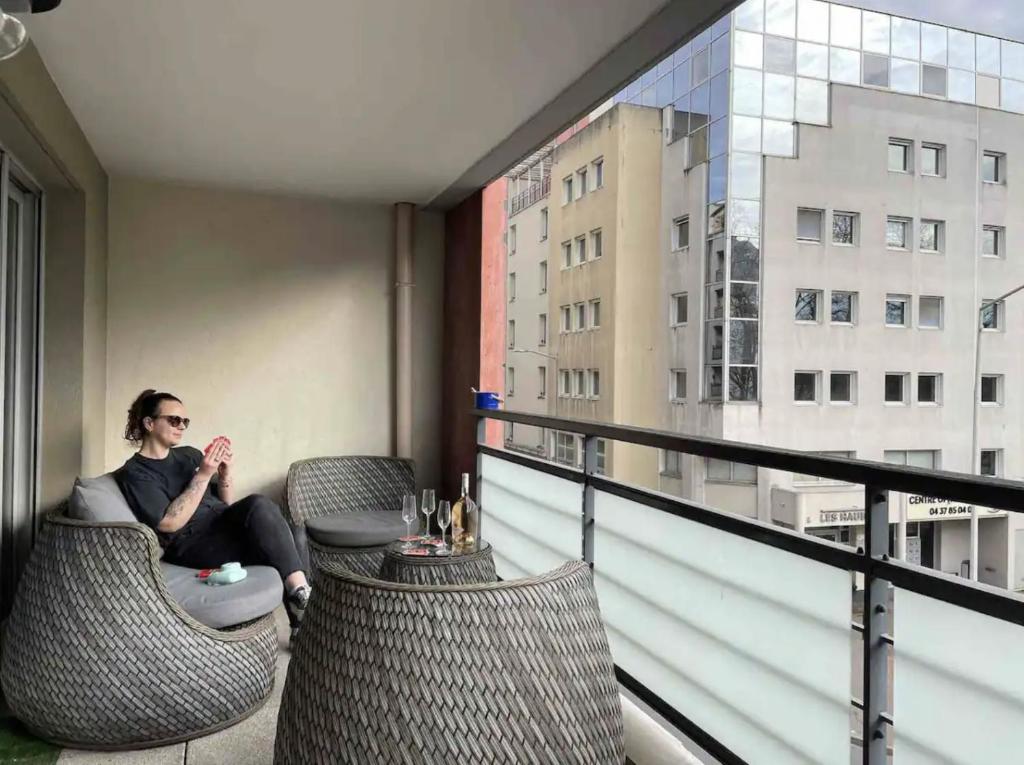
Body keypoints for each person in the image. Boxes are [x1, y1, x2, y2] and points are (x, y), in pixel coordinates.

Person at [115, 389, 310, 639]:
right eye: (174, 420)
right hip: (191, 543)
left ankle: (300, 620)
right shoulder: (136, 472)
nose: (181, 426)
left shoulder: (189, 455)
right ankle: (302, 596)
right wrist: (204, 474)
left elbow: (224, 504)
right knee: (260, 506)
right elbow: (169, 523)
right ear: (149, 423)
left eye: (185, 421)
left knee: (294, 531)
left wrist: (226, 475)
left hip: (221, 525)